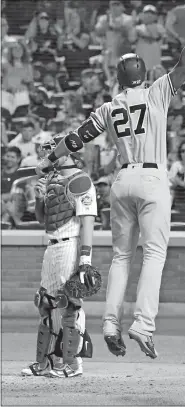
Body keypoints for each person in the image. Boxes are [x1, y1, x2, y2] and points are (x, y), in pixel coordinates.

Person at [36, 1, 185, 359]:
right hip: (151, 176)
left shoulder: (109, 106)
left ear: (119, 80)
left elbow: (75, 140)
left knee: (121, 256)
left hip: (121, 180)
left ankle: (109, 323)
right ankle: (143, 324)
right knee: (154, 253)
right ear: (144, 75)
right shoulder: (157, 91)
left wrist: (48, 160)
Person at [21, 136, 97, 378]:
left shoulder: (81, 180)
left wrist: (85, 259)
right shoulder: (50, 179)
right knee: (45, 302)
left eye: (52, 153)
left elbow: (88, 223)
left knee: (69, 303)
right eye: (46, 153)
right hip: (52, 245)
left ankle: (72, 364)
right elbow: (42, 219)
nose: (48, 158)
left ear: (66, 152)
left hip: (70, 244)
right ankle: (45, 363)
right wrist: (39, 199)